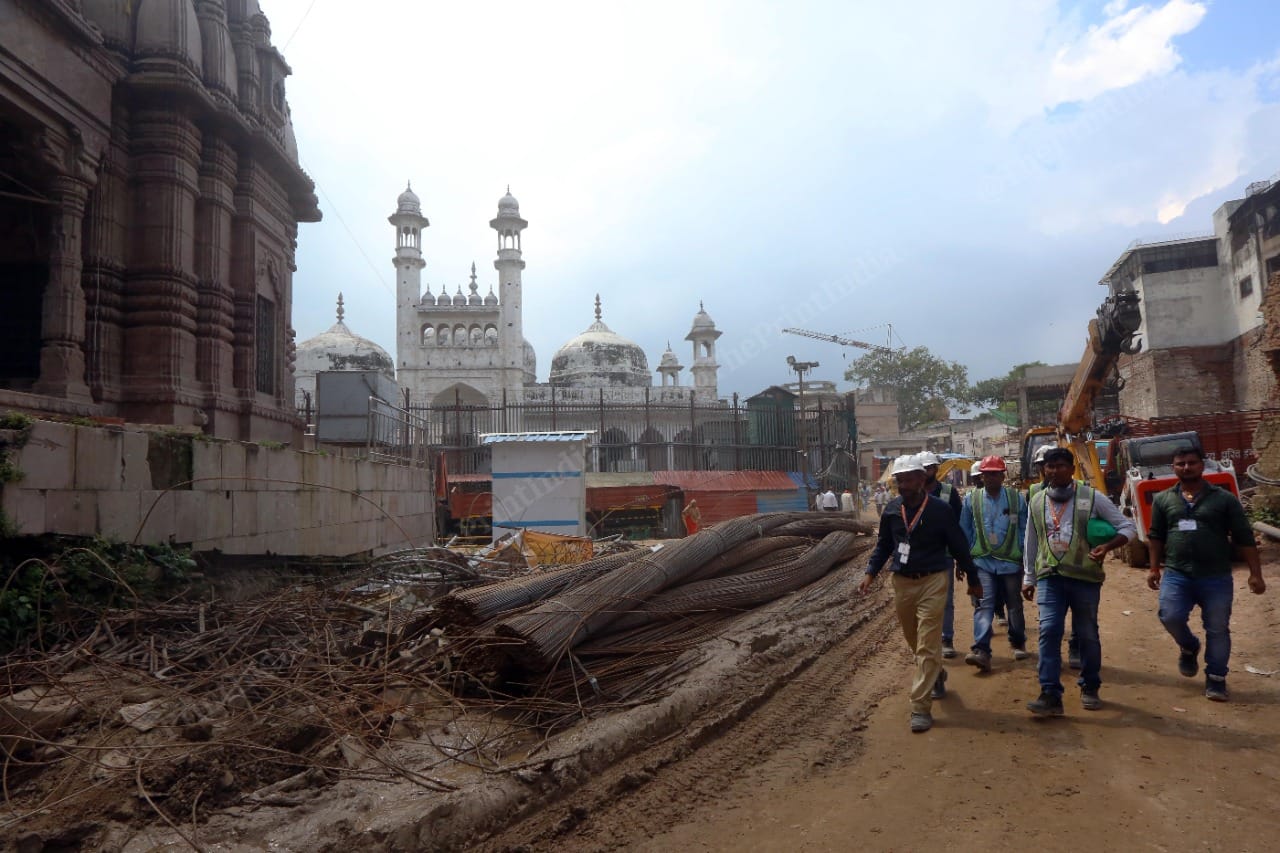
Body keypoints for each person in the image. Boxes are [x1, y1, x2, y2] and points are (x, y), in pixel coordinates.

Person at [859, 454, 980, 733]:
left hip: (933, 580)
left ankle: (920, 706)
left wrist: (972, 577)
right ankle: (934, 671)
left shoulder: (940, 510)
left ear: (922, 479)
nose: (903, 484)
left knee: (927, 643)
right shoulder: (891, 510)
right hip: (902, 581)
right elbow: (884, 546)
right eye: (899, 480)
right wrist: (869, 573)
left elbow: (959, 545)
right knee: (913, 639)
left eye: (909, 479)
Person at [1147, 446, 1266, 702]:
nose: (1186, 467)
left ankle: (1216, 678)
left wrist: (1255, 574)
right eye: (1180, 464)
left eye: (1191, 462)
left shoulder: (1224, 499)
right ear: (1173, 467)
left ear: (1202, 465)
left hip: (1215, 576)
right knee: (1169, 616)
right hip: (1177, 574)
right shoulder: (1163, 499)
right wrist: (1154, 567)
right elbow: (1156, 536)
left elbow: (1244, 537)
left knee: (1218, 628)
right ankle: (1189, 646)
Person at [1022, 447, 1135, 715]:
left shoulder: (1092, 497)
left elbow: (1128, 527)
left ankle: (1090, 686)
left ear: (1071, 469)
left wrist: (1107, 547)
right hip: (1051, 577)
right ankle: (1050, 694)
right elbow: (1031, 540)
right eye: (1051, 466)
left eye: (1062, 465)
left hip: (1084, 579)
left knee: (1086, 634)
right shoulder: (1037, 501)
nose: (1056, 470)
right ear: (1044, 470)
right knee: (1049, 631)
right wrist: (1028, 577)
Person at [960, 455, 1029, 671]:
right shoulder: (971, 500)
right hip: (983, 562)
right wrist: (964, 560)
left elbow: (1024, 529)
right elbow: (965, 530)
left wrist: (1023, 557)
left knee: (1014, 603)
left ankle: (1017, 641)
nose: (991, 478)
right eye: (987, 474)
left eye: (995, 474)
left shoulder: (1016, 499)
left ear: (1002, 475)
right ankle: (981, 649)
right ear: (981, 476)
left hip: (1010, 561)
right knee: (984, 603)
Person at [920, 451, 964, 658]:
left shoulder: (949, 492)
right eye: (924, 468)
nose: (927, 471)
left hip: (944, 556)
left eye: (929, 468)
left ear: (936, 470)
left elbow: (958, 527)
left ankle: (946, 638)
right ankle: (927, 641)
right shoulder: (913, 492)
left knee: (945, 600)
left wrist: (962, 558)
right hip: (920, 557)